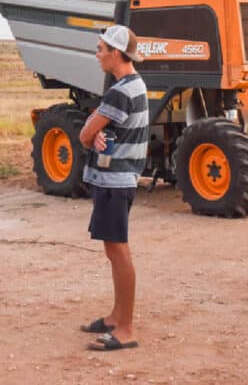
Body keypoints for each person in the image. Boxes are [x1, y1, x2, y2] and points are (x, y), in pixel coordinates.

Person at [79, 25, 148, 351]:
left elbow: (84, 134)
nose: (97, 54)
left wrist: (93, 132)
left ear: (116, 53)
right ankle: (115, 317)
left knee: (118, 251)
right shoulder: (133, 86)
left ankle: (126, 330)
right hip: (119, 180)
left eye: (100, 48)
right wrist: (96, 131)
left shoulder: (119, 92)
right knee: (113, 249)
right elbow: (98, 128)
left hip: (114, 182)